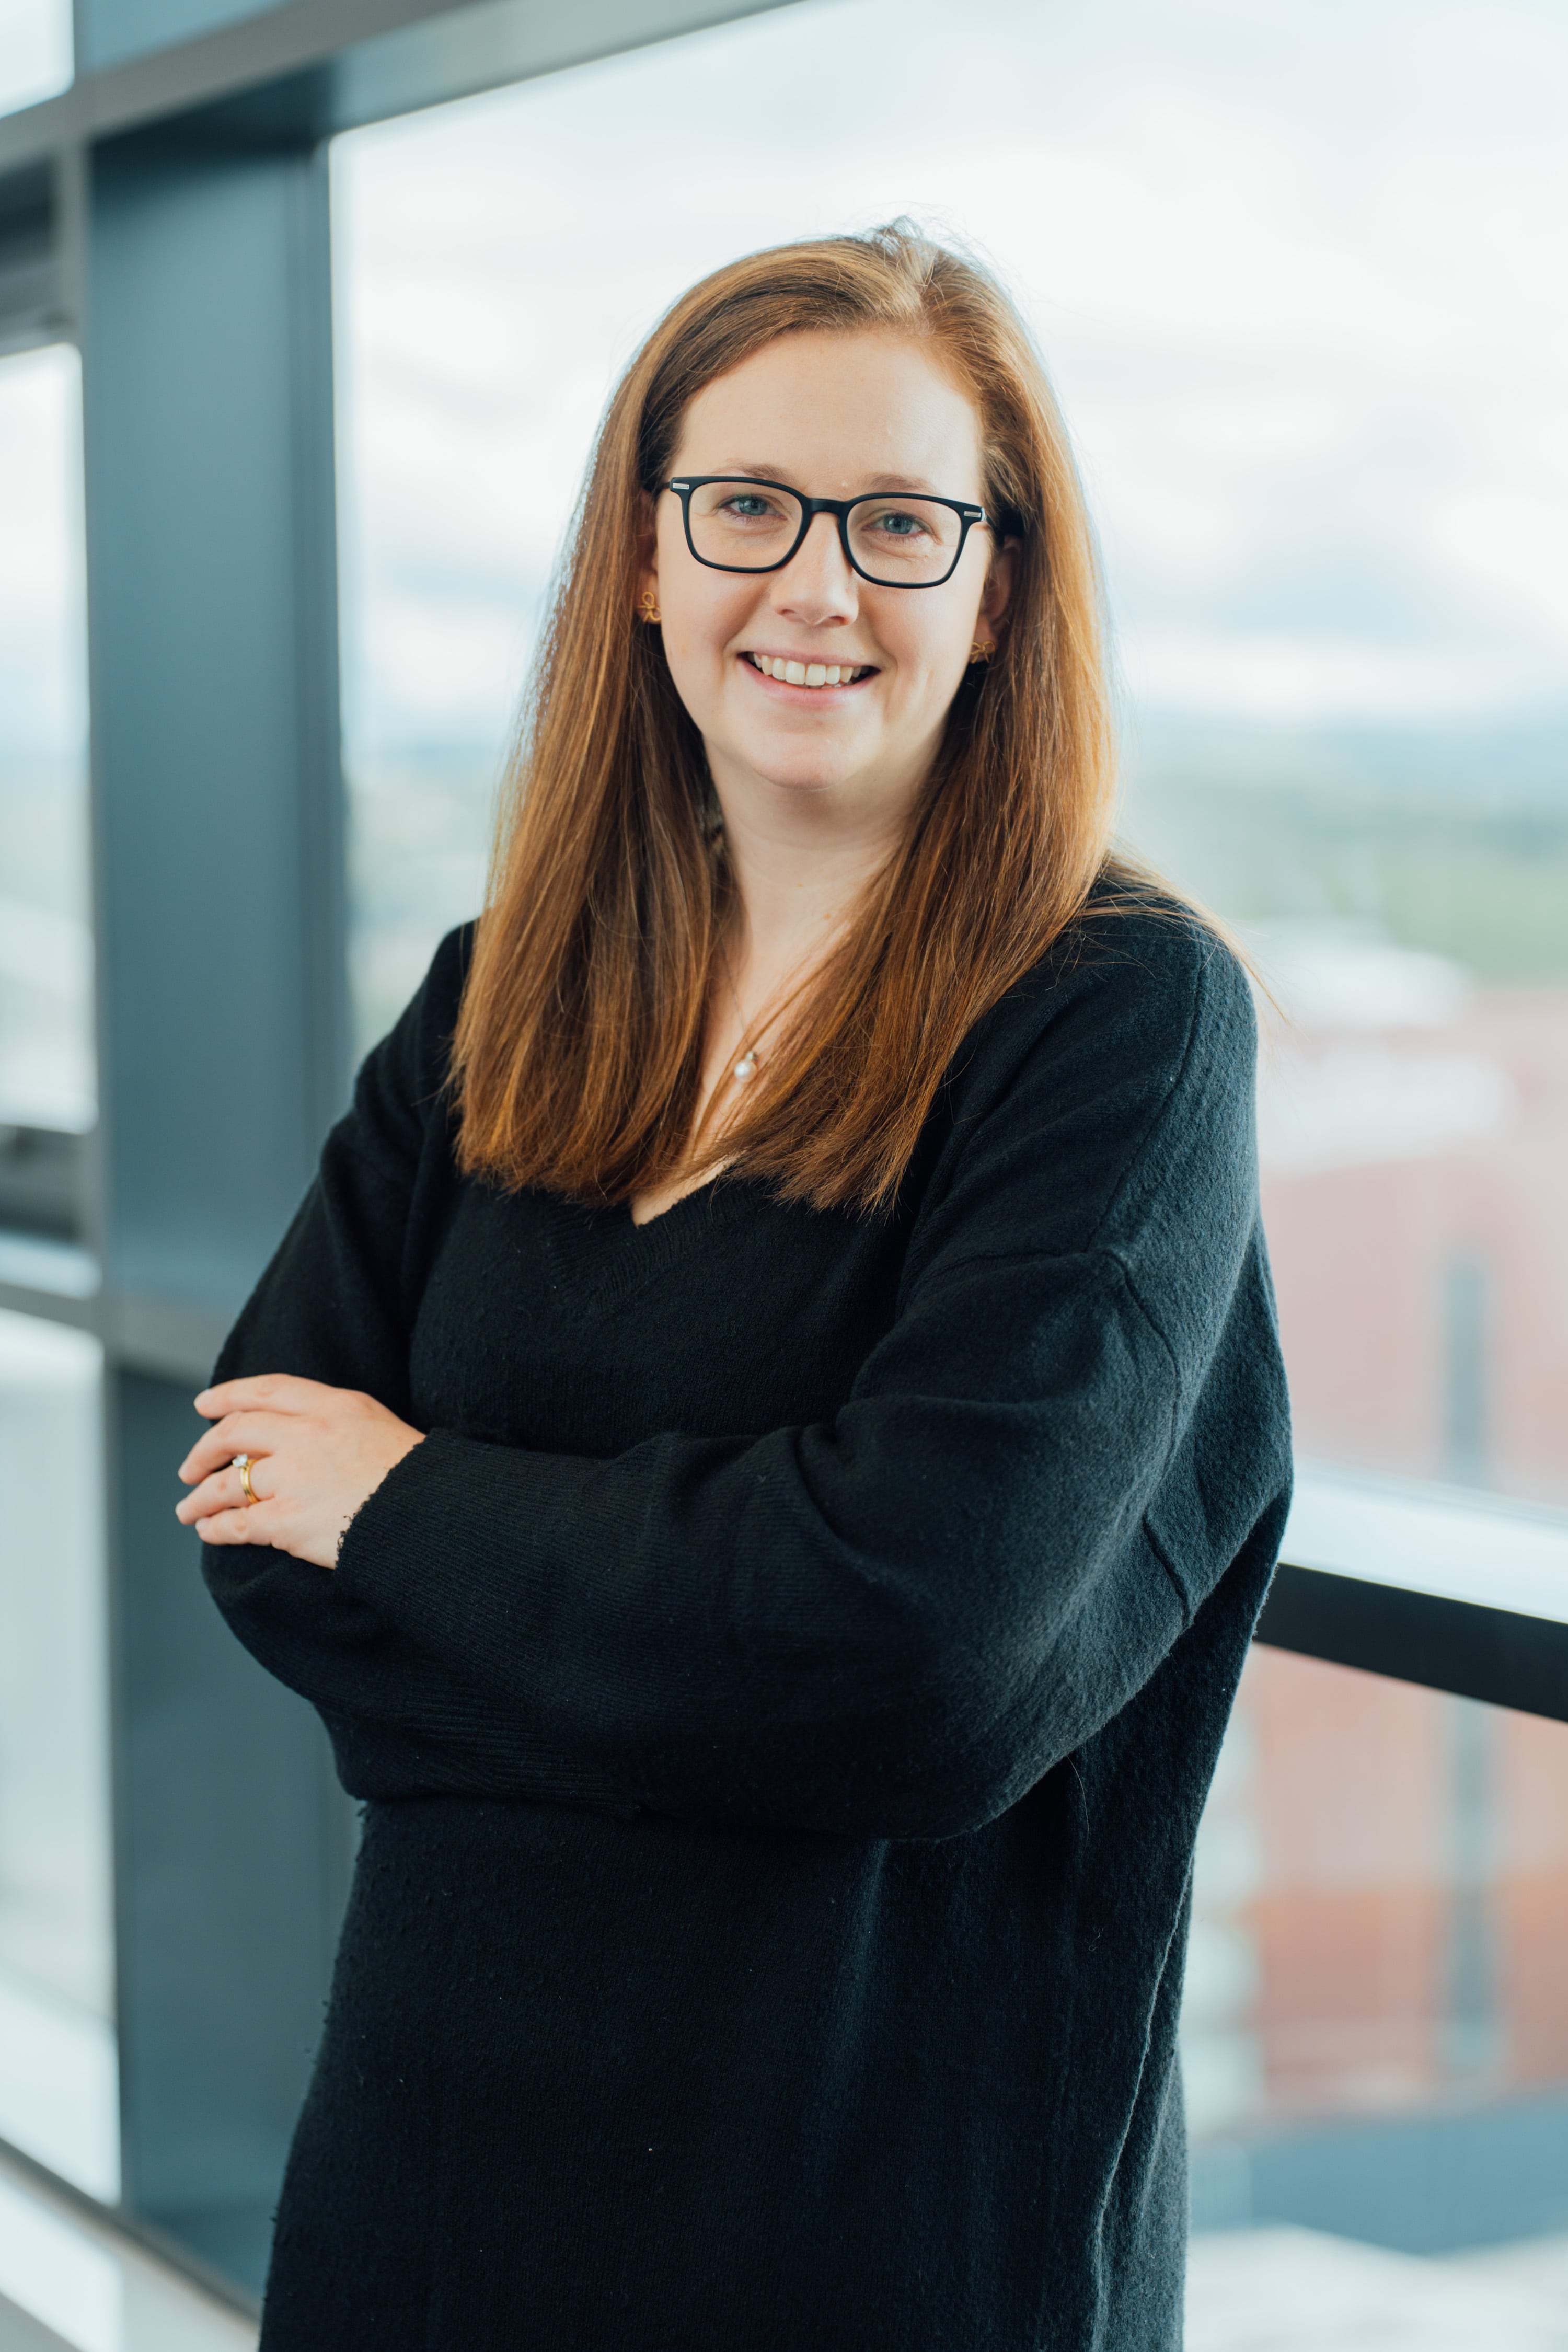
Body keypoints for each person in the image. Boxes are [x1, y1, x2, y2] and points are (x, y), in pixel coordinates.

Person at [177, 222, 1290, 2350]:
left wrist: (417, 1509)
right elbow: (258, 1518)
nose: (817, 582)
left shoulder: (1119, 1026)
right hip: (430, 2189)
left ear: (999, 592)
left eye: (898, 521)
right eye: (749, 506)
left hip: (871, 2220)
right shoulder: (503, 997)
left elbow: (918, 1645)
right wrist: (718, 1659)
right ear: (648, 562)